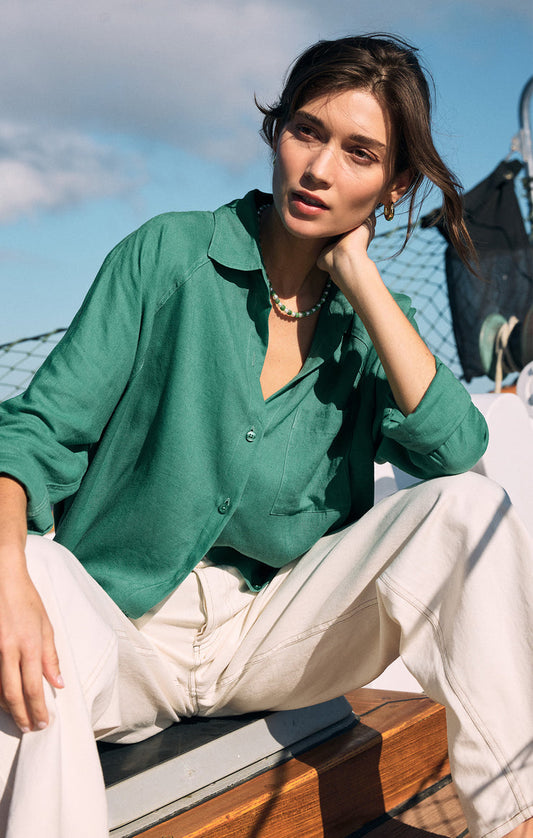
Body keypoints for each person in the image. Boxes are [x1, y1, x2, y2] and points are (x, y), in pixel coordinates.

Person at [0, 33, 531, 838]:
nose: (319, 169)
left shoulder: (372, 329)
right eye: (306, 132)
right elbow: (34, 432)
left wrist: (360, 280)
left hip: (269, 640)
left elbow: (456, 455)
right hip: (122, 637)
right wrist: (9, 573)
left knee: (467, 509)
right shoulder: (170, 255)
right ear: (276, 133)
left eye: (359, 153)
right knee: (27, 568)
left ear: (393, 187)